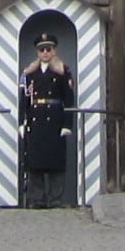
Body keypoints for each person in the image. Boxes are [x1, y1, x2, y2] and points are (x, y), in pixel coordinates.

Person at [17, 33, 76, 209]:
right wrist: (22, 121)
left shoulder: (63, 71)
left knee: (55, 161)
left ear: (54, 51)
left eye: (48, 49)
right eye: (42, 49)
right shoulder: (30, 73)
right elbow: (25, 99)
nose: (45, 53)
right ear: (37, 52)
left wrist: (67, 124)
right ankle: (37, 199)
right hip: (36, 121)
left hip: (55, 120)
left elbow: (69, 99)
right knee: (35, 162)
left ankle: (55, 199)